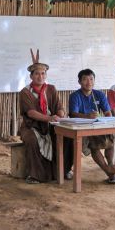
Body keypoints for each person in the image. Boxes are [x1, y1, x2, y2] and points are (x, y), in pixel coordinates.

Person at [19, 49, 73, 184]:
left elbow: (59, 107)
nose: (40, 76)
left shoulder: (51, 89)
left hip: (51, 125)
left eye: (43, 73)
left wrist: (60, 114)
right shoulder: (25, 92)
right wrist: (49, 118)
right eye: (37, 74)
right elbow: (31, 113)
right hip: (32, 126)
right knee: (31, 140)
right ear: (31, 76)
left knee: (67, 137)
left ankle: (64, 170)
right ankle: (35, 175)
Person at [68, 69, 115, 183]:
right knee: (94, 146)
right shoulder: (75, 96)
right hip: (83, 128)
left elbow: (107, 113)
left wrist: (106, 121)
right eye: (85, 79)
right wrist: (87, 116)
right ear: (79, 82)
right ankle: (109, 172)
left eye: (91, 79)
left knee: (111, 140)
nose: (89, 82)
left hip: (99, 125)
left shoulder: (99, 94)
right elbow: (73, 114)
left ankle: (111, 166)